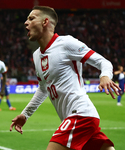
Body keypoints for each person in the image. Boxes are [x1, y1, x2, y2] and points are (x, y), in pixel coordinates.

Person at [10, 6, 121, 150]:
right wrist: (25, 115)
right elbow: (44, 89)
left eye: (31, 18)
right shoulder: (36, 55)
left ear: (45, 22)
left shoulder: (66, 43)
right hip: (78, 118)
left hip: (80, 114)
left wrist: (105, 76)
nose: (26, 22)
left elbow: (103, 62)